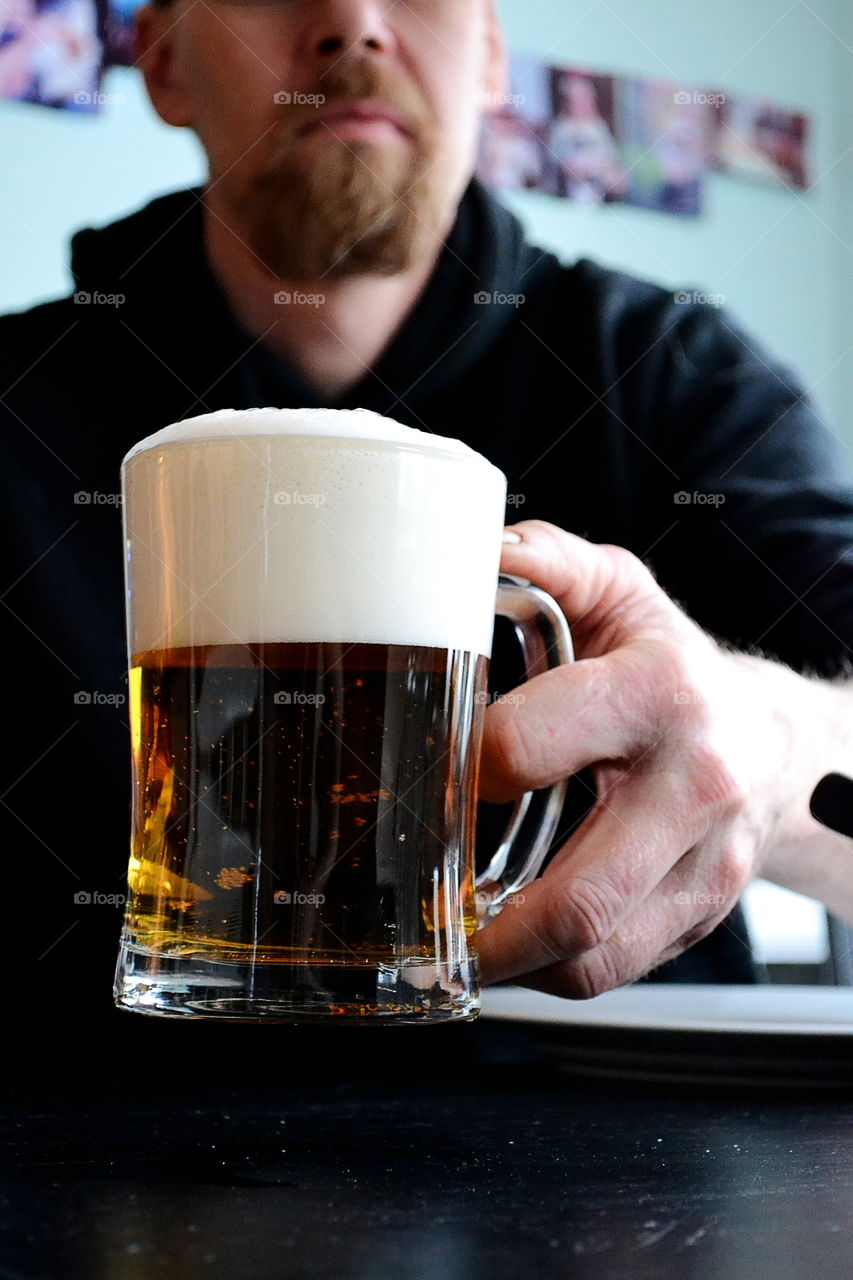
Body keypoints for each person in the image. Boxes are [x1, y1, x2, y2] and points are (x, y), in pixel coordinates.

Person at [3, 0, 853, 1079]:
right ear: (162, 63)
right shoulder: (17, 403)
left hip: (613, 1178)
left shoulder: (673, 372)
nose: (352, 24)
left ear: (491, 57)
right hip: (75, 1171)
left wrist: (768, 746)